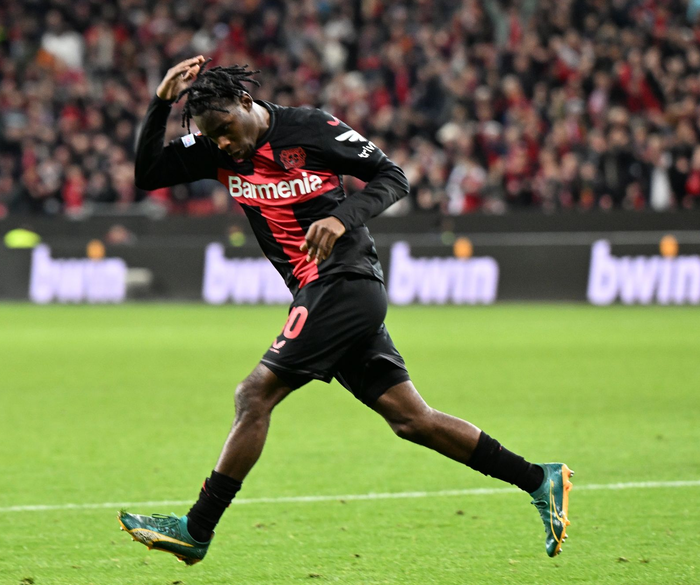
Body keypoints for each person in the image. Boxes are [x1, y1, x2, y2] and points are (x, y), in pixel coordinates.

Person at [117, 56, 573, 565]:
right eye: (213, 136)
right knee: (411, 419)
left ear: (245, 103)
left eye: (224, 129)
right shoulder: (218, 149)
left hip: (345, 281)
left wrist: (340, 217)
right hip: (317, 291)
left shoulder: (307, 128)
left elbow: (391, 176)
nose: (222, 143)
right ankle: (539, 478)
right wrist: (161, 101)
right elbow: (147, 173)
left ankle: (196, 530)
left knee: (253, 394)